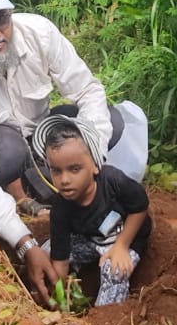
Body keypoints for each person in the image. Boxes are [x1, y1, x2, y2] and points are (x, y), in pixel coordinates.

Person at [0, 0, 133, 306]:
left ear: (11, 15)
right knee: (6, 151)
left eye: (0, 20)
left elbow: (88, 90)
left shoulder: (39, 33)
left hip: (31, 133)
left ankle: (27, 188)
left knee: (109, 120)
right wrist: (25, 243)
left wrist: (90, 156)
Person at [31, 116, 151, 308]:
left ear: (95, 165)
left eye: (74, 169)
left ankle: (105, 318)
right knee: (47, 250)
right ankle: (67, 290)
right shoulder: (60, 208)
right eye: (56, 171)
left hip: (126, 237)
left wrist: (121, 247)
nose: (64, 180)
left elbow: (140, 207)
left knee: (114, 270)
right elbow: (60, 258)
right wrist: (60, 293)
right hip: (92, 240)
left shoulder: (114, 182)